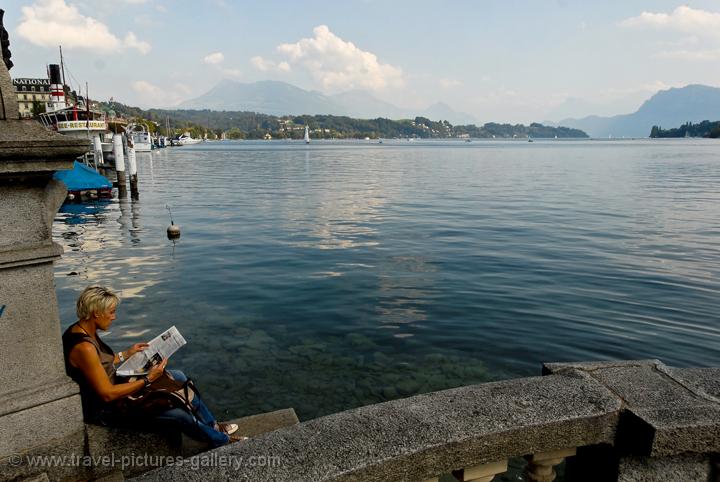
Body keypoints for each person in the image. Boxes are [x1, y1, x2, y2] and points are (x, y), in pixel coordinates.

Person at [62, 286, 244, 446]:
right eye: (111, 312)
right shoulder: (84, 347)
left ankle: (213, 425)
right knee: (178, 415)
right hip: (106, 410)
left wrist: (126, 354)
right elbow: (107, 394)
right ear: (97, 313)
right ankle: (222, 441)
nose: (114, 317)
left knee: (178, 376)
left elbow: (98, 364)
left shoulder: (82, 329)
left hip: (116, 390)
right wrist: (149, 379)